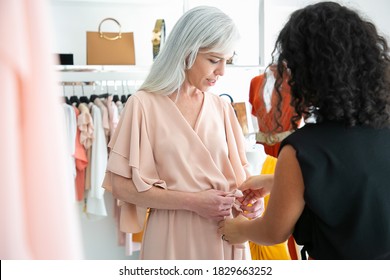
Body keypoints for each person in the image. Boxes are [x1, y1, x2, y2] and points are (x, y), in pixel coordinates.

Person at [218, 1, 390, 260]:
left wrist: (238, 229)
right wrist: (273, 182)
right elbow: (358, 184)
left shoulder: (303, 150)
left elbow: (274, 231)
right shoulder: (383, 131)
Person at [102, 6, 264, 260]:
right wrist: (193, 202)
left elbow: (241, 179)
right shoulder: (143, 104)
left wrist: (252, 203)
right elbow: (121, 188)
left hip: (225, 233)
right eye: (214, 60)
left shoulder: (222, 107)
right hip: (171, 238)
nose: (222, 71)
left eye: (227, 61)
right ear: (186, 52)